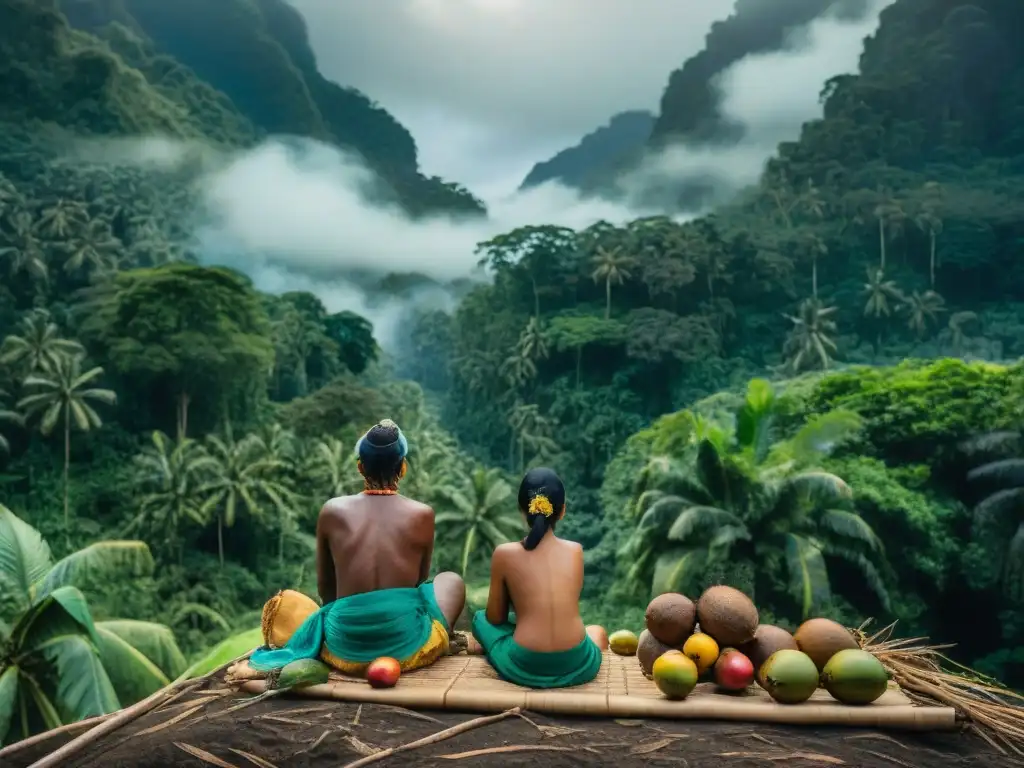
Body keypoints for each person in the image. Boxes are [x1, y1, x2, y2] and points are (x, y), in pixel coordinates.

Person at [250, 419, 467, 677]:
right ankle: (438, 640)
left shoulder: (332, 510)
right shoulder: (423, 514)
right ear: (403, 467)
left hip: (343, 649)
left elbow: (326, 588)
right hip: (404, 647)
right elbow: (418, 585)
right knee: (450, 581)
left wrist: (342, 626)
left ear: (361, 467)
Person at [471, 467, 606, 688]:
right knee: (597, 632)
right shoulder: (576, 551)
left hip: (527, 663)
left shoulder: (505, 553)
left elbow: (495, 618)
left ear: (521, 510)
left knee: (480, 619)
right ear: (562, 511)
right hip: (576, 662)